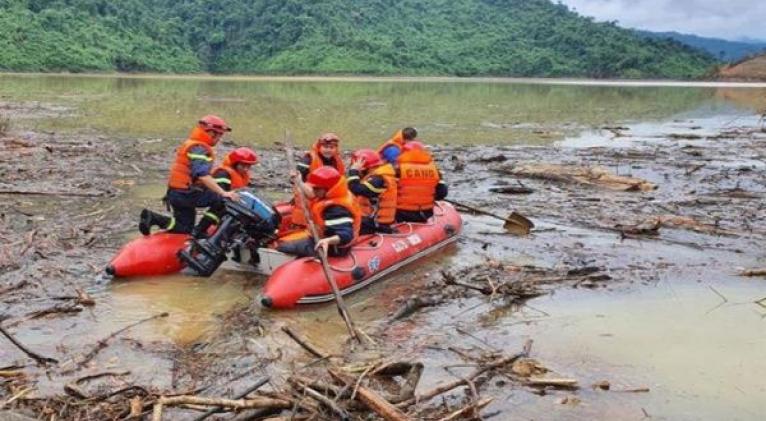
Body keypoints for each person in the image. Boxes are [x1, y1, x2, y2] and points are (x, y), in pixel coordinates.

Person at [138, 115, 239, 236]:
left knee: (184, 228)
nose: (219, 139)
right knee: (222, 201)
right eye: (219, 135)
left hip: (175, 193)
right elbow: (202, 175)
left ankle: (154, 218)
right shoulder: (200, 148)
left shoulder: (192, 143)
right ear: (211, 133)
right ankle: (201, 230)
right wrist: (224, 193)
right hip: (186, 194)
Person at [277, 167, 360, 258]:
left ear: (327, 188)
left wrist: (327, 241)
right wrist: (299, 182)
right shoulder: (336, 193)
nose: (313, 190)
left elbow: (346, 235)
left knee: (282, 247)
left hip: (331, 247)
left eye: (316, 188)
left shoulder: (335, 209)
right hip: (321, 237)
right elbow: (312, 195)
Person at [192, 147, 258, 238]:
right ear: (235, 163)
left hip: (228, 200)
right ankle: (200, 229)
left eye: (248, 166)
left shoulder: (242, 175)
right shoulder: (223, 173)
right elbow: (221, 191)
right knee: (220, 204)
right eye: (243, 166)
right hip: (205, 197)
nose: (246, 169)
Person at [291, 133, 345, 227]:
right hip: (308, 196)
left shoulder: (337, 161)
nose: (328, 150)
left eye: (331, 147)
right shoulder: (308, 159)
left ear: (336, 149)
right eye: (325, 147)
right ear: (319, 146)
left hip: (326, 196)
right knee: (305, 222)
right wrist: (295, 179)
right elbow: (295, 178)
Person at [347, 149, 397, 234]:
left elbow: (356, 189)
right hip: (371, 219)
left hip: (375, 222)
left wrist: (353, 172)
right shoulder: (379, 175)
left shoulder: (379, 179)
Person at [395, 141, 448, 223]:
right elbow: (442, 193)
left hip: (400, 213)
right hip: (426, 213)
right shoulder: (434, 169)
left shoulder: (398, 169)